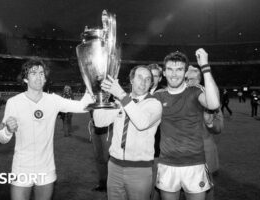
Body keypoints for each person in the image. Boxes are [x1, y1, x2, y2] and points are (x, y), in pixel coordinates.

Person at [0, 58, 93, 200]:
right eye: (34, 73)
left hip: (46, 169)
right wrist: (8, 131)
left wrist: (91, 82)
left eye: (42, 73)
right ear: (25, 78)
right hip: (22, 168)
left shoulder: (53, 100)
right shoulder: (14, 103)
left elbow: (83, 106)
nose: (39, 76)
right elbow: (1, 138)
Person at [153, 49, 220, 200]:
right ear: (164, 72)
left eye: (179, 70)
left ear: (185, 73)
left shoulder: (195, 92)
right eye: (170, 69)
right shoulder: (158, 96)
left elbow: (214, 103)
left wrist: (205, 66)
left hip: (194, 164)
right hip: (167, 164)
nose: (174, 74)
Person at [93, 65, 162, 200]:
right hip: (114, 167)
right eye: (140, 77)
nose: (143, 82)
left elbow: (141, 123)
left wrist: (121, 95)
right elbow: (99, 121)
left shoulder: (154, 104)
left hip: (140, 170)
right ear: (131, 80)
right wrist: (103, 96)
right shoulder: (120, 101)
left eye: (148, 79)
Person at [186, 64, 224, 200]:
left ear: (200, 77)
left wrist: (209, 123)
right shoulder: (175, 94)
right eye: (188, 72)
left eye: (194, 72)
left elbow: (219, 126)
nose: (190, 74)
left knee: (206, 192)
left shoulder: (210, 96)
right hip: (177, 154)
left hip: (203, 153)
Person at [147, 63, 163, 200]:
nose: (152, 78)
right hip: (140, 149)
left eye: (156, 76)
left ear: (160, 78)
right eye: (150, 75)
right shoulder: (140, 92)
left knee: (154, 184)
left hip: (157, 147)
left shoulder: (164, 94)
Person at [89, 111, 111, 192]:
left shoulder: (111, 98)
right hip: (95, 128)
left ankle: (110, 185)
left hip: (107, 129)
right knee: (99, 158)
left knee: (108, 158)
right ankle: (102, 183)